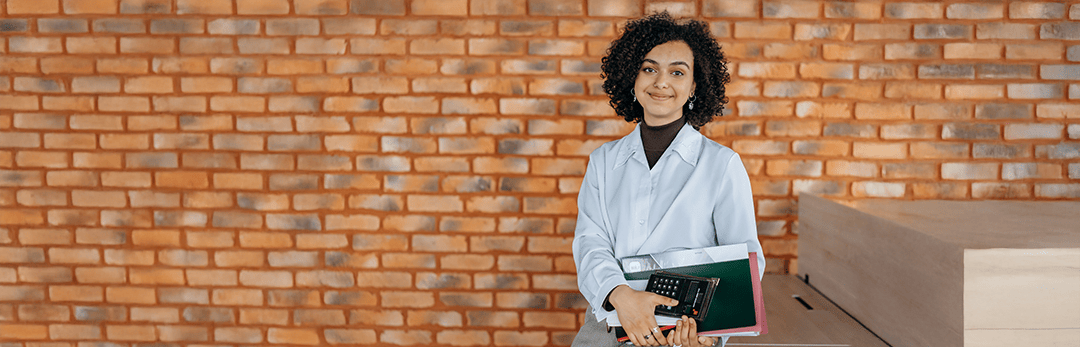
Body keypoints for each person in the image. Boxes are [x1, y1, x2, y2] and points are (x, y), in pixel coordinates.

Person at [571, 12, 765, 347]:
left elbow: (745, 261)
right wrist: (620, 296)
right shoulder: (603, 162)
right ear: (632, 77)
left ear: (693, 86)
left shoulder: (722, 165)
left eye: (677, 72)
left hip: (682, 337)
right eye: (649, 69)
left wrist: (713, 334)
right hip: (606, 330)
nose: (661, 82)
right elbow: (591, 245)